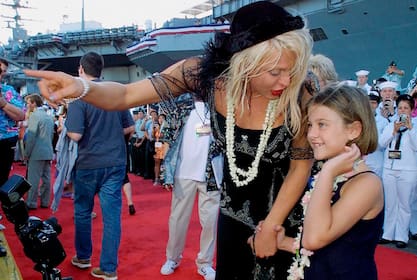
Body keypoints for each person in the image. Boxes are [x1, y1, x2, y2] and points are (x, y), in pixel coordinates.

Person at [25, 2, 314, 278]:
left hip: (284, 221)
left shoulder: (300, 94)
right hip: (231, 220)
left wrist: (271, 226)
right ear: (245, 64)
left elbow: (300, 166)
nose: (286, 81)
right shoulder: (206, 75)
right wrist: (80, 86)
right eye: (275, 72)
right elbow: (127, 94)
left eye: (292, 69)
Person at [275, 83, 384, 279]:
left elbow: (314, 239)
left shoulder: (367, 184)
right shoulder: (331, 176)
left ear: (354, 130)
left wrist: (327, 172)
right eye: (310, 125)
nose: (311, 134)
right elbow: (330, 245)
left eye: (322, 125)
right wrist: (285, 242)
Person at [65, 52, 134, 280]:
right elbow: (129, 129)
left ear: (81, 70)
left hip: (88, 163)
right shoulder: (114, 91)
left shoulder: (79, 96)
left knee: (83, 211)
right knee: (112, 216)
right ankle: (108, 268)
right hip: (115, 161)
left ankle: (84, 257)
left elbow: (75, 135)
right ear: (101, 69)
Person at [159, 94, 220, 280]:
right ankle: (172, 258)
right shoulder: (179, 107)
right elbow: (167, 138)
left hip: (210, 174)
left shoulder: (220, 109)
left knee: (210, 222)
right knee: (177, 220)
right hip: (183, 173)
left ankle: (205, 263)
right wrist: (165, 172)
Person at [378, 94, 417, 248]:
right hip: (389, 168)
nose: (402, 111)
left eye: (406, 108)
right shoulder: (391, 125)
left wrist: (409, 129)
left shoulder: (416, 126)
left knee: (404, 204)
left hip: (408, 170)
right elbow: (382, 143)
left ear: (411, 110)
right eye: (400, 107)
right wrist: (393, 131)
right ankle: (387, 233)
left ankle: (401, 236)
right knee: (390, 203)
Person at [24, 94, 54, 210]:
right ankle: (45, 202)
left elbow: (31, 137)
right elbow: (51, 135)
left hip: (37, 152)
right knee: (46, 178)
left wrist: (26, 153)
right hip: (48, 151)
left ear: (34, 103)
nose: (27, 105)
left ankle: (31, 202)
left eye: (28, 102)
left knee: (33, 179)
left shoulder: (35, 116)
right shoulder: (48, 117)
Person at [0, 58, 25, 186]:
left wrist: (4, 104)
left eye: (3, 71)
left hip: (5, 141)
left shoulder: (8, 91)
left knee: (3, 180)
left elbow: (21, 115)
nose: (1, 74)